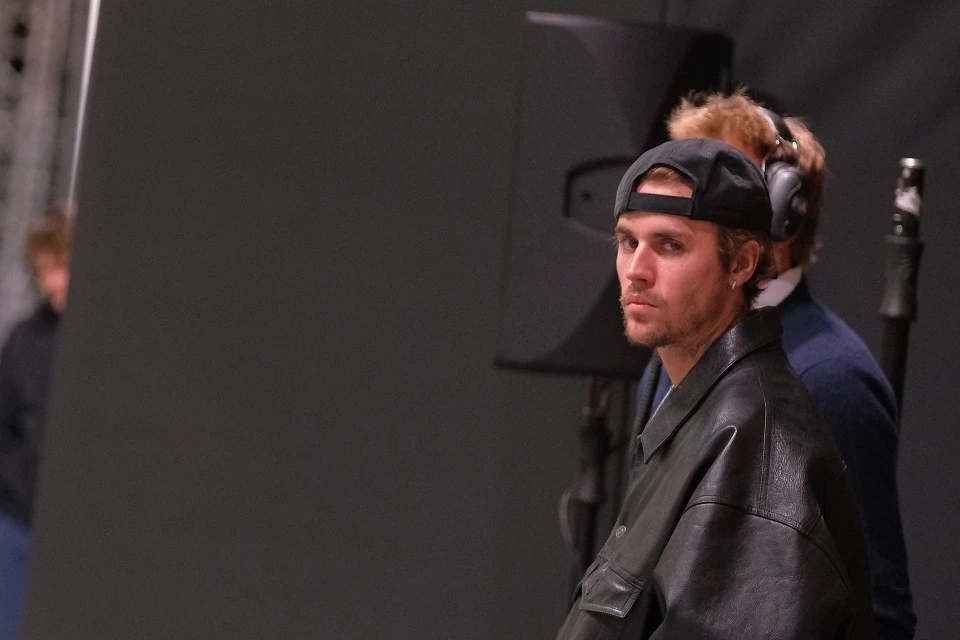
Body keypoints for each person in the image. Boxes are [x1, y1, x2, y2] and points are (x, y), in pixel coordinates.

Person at [556, 138, 873, 639]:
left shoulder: (756, 455)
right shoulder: (698, 408)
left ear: (742, 263)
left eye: (670, 245)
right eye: (628, 242)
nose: (636, 270)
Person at [632, 90, 915, 639]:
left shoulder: (833, 381)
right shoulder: (672, 354)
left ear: (785, 214)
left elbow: (879, 614)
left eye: (715, 186)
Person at [0, 205, 72, 640]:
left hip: (77, 531)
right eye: (44, 271)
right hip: (16, 523)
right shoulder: (25, 339)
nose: (53, 282)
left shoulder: (112, 343)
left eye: (61, 267)